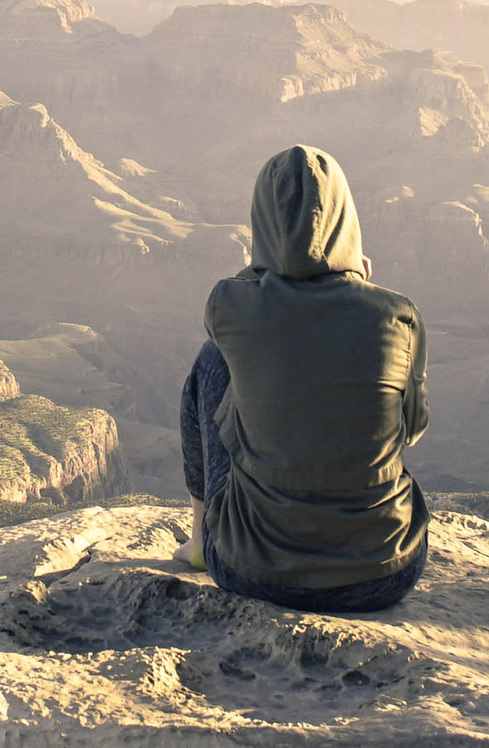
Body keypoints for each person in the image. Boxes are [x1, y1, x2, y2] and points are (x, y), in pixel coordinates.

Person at [176, 144, 429, 612]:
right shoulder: (398, 316)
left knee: (214, 361)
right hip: (385, 573)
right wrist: (356, 280)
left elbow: (254, 318)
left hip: (250, 570)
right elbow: (410, 430)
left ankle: (199, 540)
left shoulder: (229, 305)